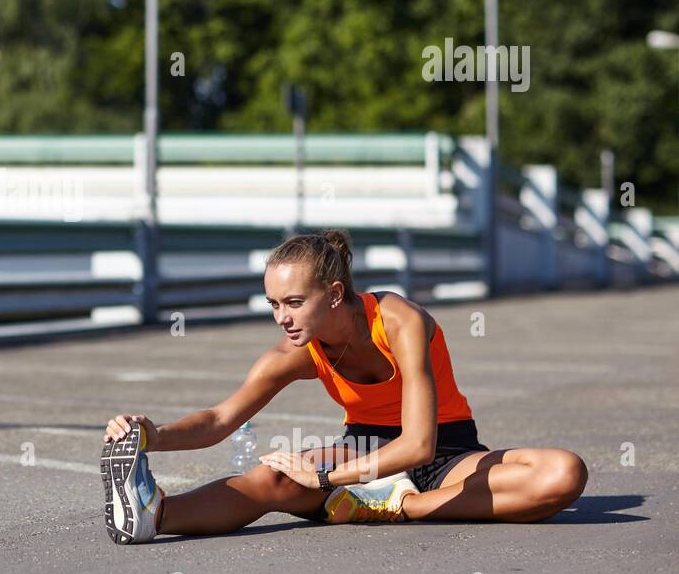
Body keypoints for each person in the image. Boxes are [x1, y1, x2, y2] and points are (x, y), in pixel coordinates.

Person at [100, 229, 589, 545]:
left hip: (447, 451)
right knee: (271, 479)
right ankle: (154, 515)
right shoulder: (293, 353)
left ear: (335, 294)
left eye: (293, 302)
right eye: (273, 303)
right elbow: (220, 420)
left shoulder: (400, 321)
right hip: (361, 452)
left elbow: (419, 445)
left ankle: (405, 506)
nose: (282, 317)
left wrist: (332, 481)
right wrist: (151, 435)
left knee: (563, 474)